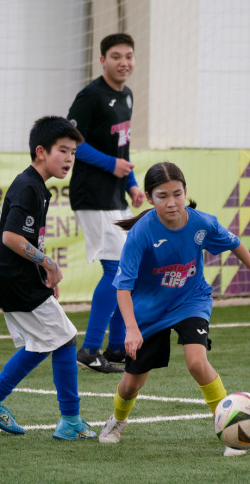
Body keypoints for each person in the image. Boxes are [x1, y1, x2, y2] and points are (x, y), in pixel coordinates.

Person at [98, 162, 250, 456]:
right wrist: (132, 329)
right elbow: (123, 287)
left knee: (196, 362)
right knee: (131, 384)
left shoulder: (202, 223)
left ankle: (230, 429)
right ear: (149, 198)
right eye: (162, 196)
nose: (172, 202)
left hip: (191, 299)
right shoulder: (141, 233)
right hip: (149, 311)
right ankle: (117, 420)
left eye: (177, 194)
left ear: (185, 192)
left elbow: (235, 243)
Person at [0, 116, 96, 440]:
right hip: (13, 278)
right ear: (41, 151)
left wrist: (43, 275)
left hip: (12, 276)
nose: (69, 158)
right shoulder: (28, 186)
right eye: (63, 150)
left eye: (73, 153)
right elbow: (12, 237)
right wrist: (49, 265)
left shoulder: (36, 186)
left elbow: (27, 239)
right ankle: (68, 421)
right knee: (63, 337)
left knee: (46, 341)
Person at [67, 33, 145, 374]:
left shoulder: (127, 95)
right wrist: (110, 165)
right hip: (92, 195)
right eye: (116, 56)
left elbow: (121, 149)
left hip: (115, 196)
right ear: (102, 60)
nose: (123, 62)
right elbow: (72, 142)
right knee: (115, 270)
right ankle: (90, 349)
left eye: (128, 56)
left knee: (128, 269)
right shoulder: (90, 96)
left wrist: (132, 184)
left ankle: (116, 348)